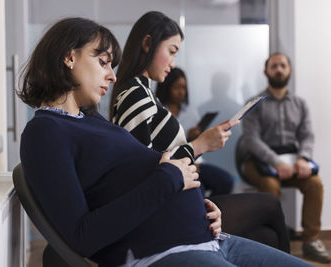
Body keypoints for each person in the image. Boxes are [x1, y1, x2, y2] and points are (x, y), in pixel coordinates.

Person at [18, 17, 311, 267]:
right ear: (69, 57)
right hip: (163, 253)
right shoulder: (45, 132)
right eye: (103, 61)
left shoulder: (90, 121)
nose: (112, 75)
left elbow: (130, 184)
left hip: (209, 240)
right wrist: (169, 177)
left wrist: (201, 210)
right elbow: (81, 236)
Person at [110, 11, 290, 253]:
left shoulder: (144, 93)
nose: (173, 63)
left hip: (182, 205)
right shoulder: (136, 95)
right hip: (170, 218)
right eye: (172, 51)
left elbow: (155, 162)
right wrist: (200, 145)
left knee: (266, 235)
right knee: (270, 206)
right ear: (147, 44)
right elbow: (143, 173)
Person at [237, 52, 330, 264]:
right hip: (258, 162)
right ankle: (273, 244)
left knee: (315, 184)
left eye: (282, 65)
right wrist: (275, 162)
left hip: (292, 161)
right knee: (270, 185)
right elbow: (251, 139)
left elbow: (307, 135)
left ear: (289, 70)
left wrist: (303, 159)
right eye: (274, 66)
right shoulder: (254, 103)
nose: (278, 69)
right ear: (266, 72)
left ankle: (311, 241)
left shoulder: (300, 104)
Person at [156, 67, 234, 196]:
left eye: (184, 88)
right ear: (166, 87)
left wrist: (197, 136)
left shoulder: (190, 111)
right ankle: (202, 212)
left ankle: (212, 212)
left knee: (226, 181)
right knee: (198, 191)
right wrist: (187, 136)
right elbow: (162, 146)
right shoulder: (159, 112)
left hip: (196, 160)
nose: (181, 92)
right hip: (175, 163)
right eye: (176, 87)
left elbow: (199, 141)